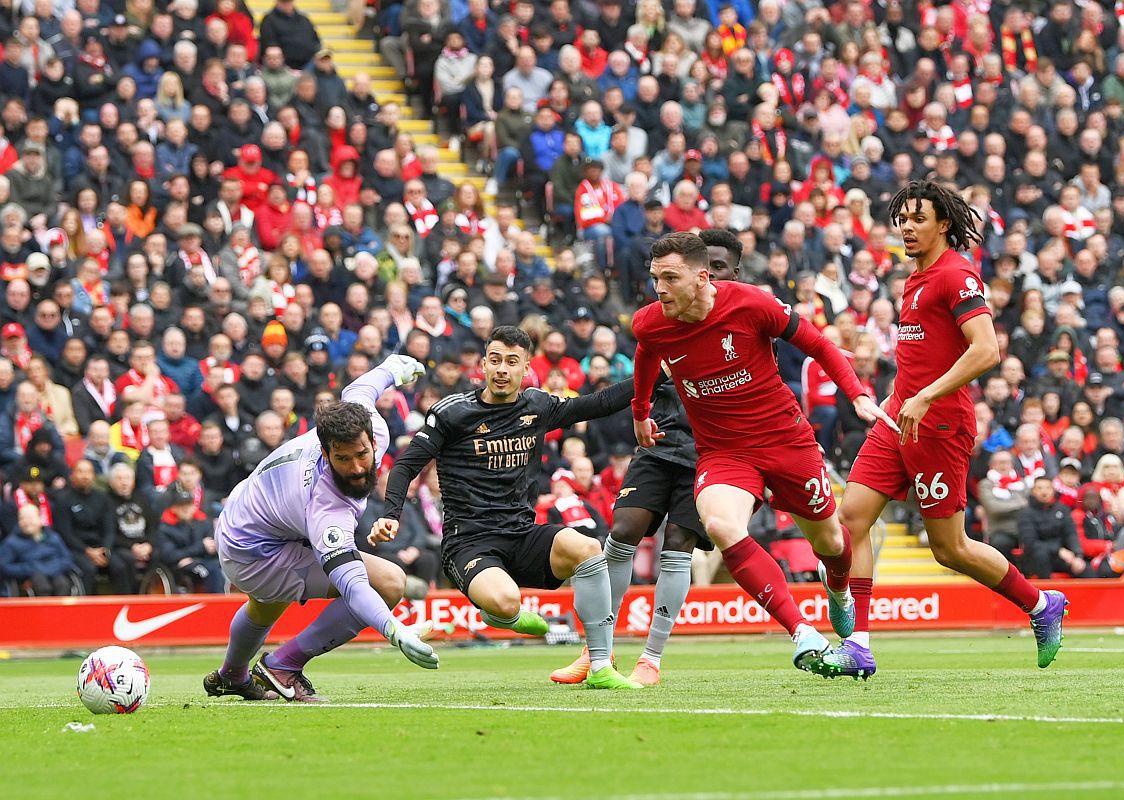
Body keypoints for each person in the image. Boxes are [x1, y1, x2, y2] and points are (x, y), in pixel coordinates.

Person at [823, 181, 1069, 680]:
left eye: (918, 219)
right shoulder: (914, 279)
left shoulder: (957, 275)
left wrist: (926, 395)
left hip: (938, 424)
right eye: (903, 219)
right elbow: (920, 358)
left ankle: (1041, 603)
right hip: (900, 417)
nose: (907, 228)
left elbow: (986, 351)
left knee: (948, 549)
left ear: (943, 225)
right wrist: (895, 397)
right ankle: (858, 646)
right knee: (850, 520)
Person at [630, 232, 896, 671]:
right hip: (723, 452)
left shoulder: (752, 304)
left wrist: (857, 394)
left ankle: (840, 589)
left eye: (670, 278)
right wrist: (641, 412)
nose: (659, 288)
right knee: (719, 523)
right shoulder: (651, 322)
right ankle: (802, 632)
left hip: (785, 440)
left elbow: (818, 343)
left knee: (830, 541)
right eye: (655, 278)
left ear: (701, 277)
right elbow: (645, 355)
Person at [370, 325, 645, 690]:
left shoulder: (537, 405)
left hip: (521, 534)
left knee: (588, 548)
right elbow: (406, 465)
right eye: (495, 360)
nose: (502, 369)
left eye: (511, 362)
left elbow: (598, 404)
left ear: (526, 368)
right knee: (506, 602)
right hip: (468, 541)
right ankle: (504, 615)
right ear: (483, 365)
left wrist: (653, 375)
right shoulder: (453, 413)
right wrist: (390, 514)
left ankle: (599, 664)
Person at [550, 227, 743, 686]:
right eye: (705, 266)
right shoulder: (664, 321)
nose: (710, 275)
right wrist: (560, 412)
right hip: (661, 443)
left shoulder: (748, 320)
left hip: (713, 455)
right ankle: (599, 652)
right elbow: (634, 383)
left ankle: (651, 658)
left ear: (733, 272)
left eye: (719, 267)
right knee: (622, 532)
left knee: (677, 545)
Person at [204, 355, 439, 704]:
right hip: (253, 551)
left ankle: (232, 676)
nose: (358, 468)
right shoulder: (325, 504)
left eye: (362, 454)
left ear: (372, 441)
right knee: (389, 583)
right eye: (342, 460)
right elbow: (353, 584)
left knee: (266, 606)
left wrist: (392, 368)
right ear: (326, 455)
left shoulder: (369, 424)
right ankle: (282, 666)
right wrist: (394, 630)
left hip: (249, 514)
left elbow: (359, 389)